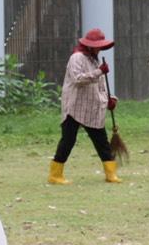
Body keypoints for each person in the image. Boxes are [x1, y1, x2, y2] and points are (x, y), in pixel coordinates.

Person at [49, 27, 121, 186]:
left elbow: (100, 85)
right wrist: (99, 72)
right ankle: (55, 174)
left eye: (100, 46)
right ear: (88, 45)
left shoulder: (95, 60)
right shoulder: (77, 58)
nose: (99, 49)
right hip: (75, 107)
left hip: (92, 108)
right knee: (68, 141)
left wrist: (110, 99)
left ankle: (111, 174)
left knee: (102, 141)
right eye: (97, 46)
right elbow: (78, 79)